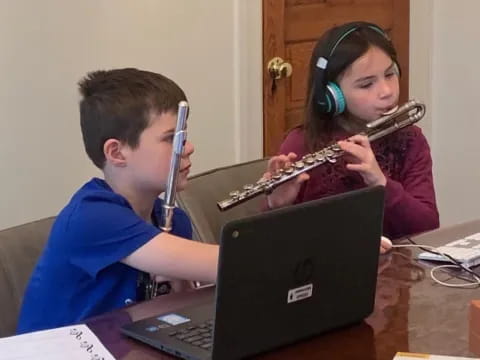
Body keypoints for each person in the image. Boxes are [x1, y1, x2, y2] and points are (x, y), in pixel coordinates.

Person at [17, 68, 219, 333]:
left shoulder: (173, 221)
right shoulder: (92, 218)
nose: (188, 147)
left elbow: (177, 312)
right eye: (172, 139)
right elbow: (227, 264)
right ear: (117, 152)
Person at [264, 21, 439, 240]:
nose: (386, 91)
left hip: (397, 268)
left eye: (390, 74)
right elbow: (273, 247)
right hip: (325, 270)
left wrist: (380, 183)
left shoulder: (410, 139)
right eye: (367, 84)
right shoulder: (301, 144)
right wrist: (277, 205)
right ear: (331, 96)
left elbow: (428, 225)